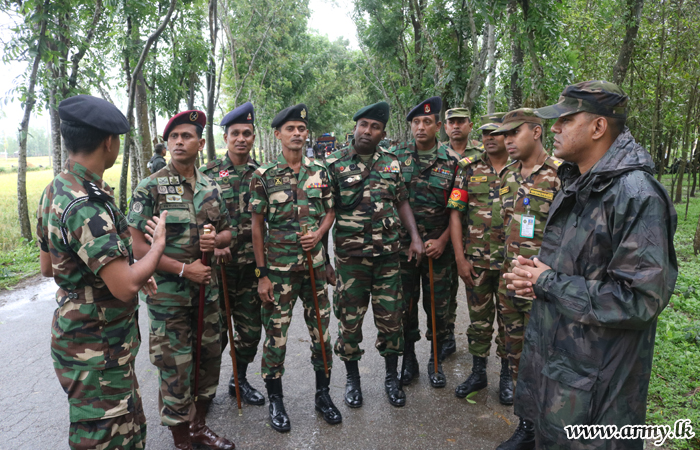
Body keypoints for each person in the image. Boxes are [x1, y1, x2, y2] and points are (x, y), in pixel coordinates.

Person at [504, 81, 678, 449]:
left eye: (565, 120)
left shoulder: (636, 195)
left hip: (599, 391)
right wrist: (535, 275)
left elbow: (640, 299)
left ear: (598, 127)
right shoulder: (577, 182)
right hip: (562, 373)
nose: (553, 128)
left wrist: (549, 282)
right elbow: (578, 266)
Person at [36, 94, 167, 450]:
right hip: (96, 350)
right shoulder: (87, 203)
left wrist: (127, 269)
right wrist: (156, 248)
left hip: (83, 340)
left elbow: (49, 268)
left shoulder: (57, 188)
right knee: (108, 439)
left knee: (126, 427)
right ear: (108, 142)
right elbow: (124, 287)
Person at [128, 110, 235, 450]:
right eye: (173, 137)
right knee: (175, 367)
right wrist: (183, 269)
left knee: (207, 360)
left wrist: (215, 242)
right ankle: (181, 439)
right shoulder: (151, 187)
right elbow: (137, 244)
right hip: (168, 296)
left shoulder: (212, 188)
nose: (178, 142)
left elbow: (229, 232)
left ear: (201, 143)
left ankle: (199, 427)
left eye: (186, 136)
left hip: (207, 292)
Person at [325, 101, 424, 409]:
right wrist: (324, 261)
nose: (368, 131)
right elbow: (323, 214)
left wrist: (416, 238)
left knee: (393, 321)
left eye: (375, 127)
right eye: (363, 124)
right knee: (349, 323)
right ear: (354, 127)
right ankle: (353, 380)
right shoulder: (333, 163)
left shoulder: (392, 163)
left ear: (382, 133)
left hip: (387, 261)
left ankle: (391, 378)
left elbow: (403, 202)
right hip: (350, 262)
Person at [249, 103, 342, 432]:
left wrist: (319, 233)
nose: (298, 134)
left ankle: (323, 395)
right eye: (291, 129)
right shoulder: (264, 176)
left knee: (322, 334)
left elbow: (330, 210)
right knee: (276, 338)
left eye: (302, 129)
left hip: (314, 269)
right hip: (280, 272)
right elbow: (257, 227)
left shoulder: (320, 170)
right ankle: (276, 401)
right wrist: (262, 275)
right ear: (278, 134)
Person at [488, 108, 562, 450]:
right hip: (510, 282)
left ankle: (553, 429)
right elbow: (503, 227)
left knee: (549, 356)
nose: (506, 140)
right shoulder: (508, 176)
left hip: (546, 287)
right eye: (504, 135)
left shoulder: (562, 175)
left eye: (513, 133)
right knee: (515, 353)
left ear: (536, 132)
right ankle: (527, 426)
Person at [391, 96, 461, 388]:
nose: (421, 127)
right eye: (416, 122)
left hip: (439, 251)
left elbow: (459, 210)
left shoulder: (453, 162)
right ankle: (409, 359)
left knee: (439, 308)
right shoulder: (395, 159)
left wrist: (444, 240)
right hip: (404, 249)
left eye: (427, 122)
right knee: (405, 306)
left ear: (437, 127)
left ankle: (435, 358)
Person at [199, 102, 265, 407]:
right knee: (215, 335)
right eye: (235, 133)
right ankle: (204, 390)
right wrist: (217, 243)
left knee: (250, 332)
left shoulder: (262, 174)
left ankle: (238, 379)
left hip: (250, 269)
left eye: (247, 133)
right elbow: (196, 218)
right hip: (217, 270)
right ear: (226, 138)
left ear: (253, 137)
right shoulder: (207, 174)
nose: (241, 138)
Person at [447, 112, 513, 404]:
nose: (488, 138)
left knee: (511, 322)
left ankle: (508, 376)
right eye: (485, 133)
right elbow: (456, 214)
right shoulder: (468, 168)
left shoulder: (521, 169)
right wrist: (460, 258)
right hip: (477, 261)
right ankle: (478, 372)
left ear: (507, 136)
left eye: (495, 133)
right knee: (479, 321)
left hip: (512, 264)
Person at [441, 108, 484, 360]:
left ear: (470, 124)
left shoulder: (483, 151)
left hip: (478, 232)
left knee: (477, 287)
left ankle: (479, 338)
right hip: (445, 229)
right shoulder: (438, 153)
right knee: (446, 288)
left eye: (460, 122)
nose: (456, 126)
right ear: (445, 127)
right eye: (451, 122)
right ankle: (447, 334)